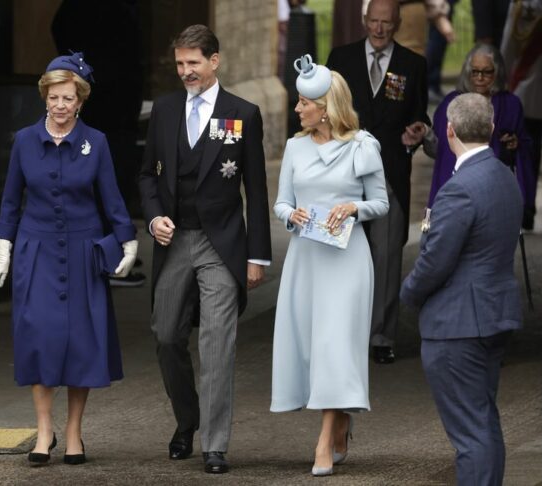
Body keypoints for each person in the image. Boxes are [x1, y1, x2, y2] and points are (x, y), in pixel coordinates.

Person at [0, 53, 138, 466]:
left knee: (80, 343)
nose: (59, 105)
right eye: (53, 97)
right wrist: (3, 254)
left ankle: (73, 432)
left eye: (68, 98)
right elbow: (10, 202)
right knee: (39, 338)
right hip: (36, 252)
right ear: (44, 98)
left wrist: (129, 242)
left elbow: (112, 198)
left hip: (82, 251)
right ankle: (43, 431)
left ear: (80, 101)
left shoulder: (97, 143)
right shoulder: (23, 141)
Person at [138, 24, 272, 474]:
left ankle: (215, 444)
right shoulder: (165, 109)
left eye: (193, 63)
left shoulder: (243, 114)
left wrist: (257, 256)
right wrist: (155, 217)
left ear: (214, 61)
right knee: (166, 335)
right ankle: (187, 419)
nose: (186, 71)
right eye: (180, 63)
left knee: (217, 346)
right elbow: (146, 176)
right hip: (175, 241)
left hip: (222, 245)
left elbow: (256, 186)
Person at [271, 55, 389, 477]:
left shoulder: (362, 145)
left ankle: (324, 441)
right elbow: (281, 202)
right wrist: (292, 216)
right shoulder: (294, 147)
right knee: (311, 344)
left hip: (347, 261)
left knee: (335, 344)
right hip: (306, 258)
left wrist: (353, 207)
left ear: (326, 105)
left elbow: (381, 203)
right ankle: (340, 420)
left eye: (304, 102)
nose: (297, 109)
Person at [400, 92, 523, 486]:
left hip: (458, 324)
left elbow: (434, 260)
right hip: (491, 314)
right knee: (483, 424)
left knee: (471, 434)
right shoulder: (504, 174)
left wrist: (406, 294)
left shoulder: (459, 189)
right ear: (489, 129)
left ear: (448, 131)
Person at [327, 0, 430, 364]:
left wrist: (417, 131)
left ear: (398, 23)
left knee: (385, 257)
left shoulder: (413, 65)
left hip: (388, 174)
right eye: (374, 21)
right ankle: (341, 333)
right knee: (340, 254)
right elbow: (324, 109)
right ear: (364, 20)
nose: (380, 29)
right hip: (344, 175)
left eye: (387, 22)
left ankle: (381, 336)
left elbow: (420, 114)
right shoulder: (340, 59)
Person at [51, 0, 147, 287]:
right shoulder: (100, 9)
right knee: (109, 181)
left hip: (108, 102)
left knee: (108, 179)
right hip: (108, 104)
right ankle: (108, 261)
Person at [421, 44, 534, 217]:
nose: (480, 77)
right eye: (475, 72)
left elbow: (525, 146)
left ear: (497, 72)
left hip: (493, 189)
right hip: (453, 186)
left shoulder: (510, 104)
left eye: (486, 72)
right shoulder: (451, 102)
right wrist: (426, 135)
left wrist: (515, 145)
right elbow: (439, 149)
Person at [501, 0, 542, 229]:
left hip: (531, 87)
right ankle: (526, 210)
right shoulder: (525, 5)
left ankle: (529, 212)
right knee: (526, 155)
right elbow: (510, 45)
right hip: (530, 86)